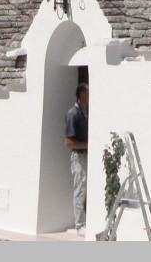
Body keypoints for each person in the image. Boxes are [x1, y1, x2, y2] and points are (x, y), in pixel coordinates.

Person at [64, 83, 89, 236]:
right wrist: (87, 145)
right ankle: (80, 224)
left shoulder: (84, 114)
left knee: (84, 188)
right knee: (79, 189)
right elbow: (68, 141)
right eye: (87, 95)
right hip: (78, 156)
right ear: (81, 96)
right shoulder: (74, 114)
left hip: (85, 156)